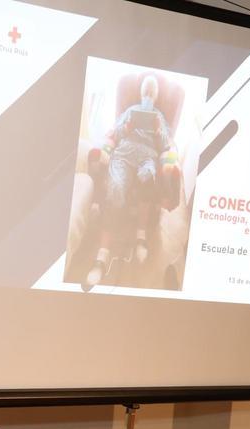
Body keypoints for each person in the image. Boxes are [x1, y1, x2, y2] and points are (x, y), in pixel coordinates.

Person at [85, 74, 174, 291]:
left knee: (148, 177)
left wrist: (159, 130)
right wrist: (127, 127)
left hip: (147, 155)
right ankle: (102, 256)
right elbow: (115, 133)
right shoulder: (129, 111)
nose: (148, 96)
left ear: (156, 96)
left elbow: (165, 145)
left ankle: (140, 236)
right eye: (146, 92)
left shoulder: (159, 116)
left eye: (152, 93)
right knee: (115, 188)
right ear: (141, 93)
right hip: (124, 152)